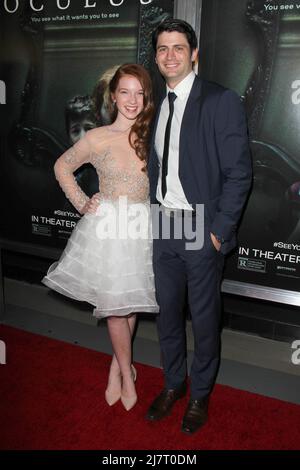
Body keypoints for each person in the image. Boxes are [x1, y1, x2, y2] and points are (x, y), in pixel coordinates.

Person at [146, 19, 252, 434]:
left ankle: (200, 394)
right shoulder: (157, 102)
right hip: (163, 226)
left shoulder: (219, 100)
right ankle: (174, 384)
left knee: (204, 320)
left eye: (177, 48)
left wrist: (218, 230)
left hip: (200, 229)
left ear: (194, 54)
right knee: (168, 315)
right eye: (162, 49)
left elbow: (240, 174)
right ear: (155, 57)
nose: (169, 55)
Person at [43, 64, 159, 411]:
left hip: (141, 224)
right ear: (113, 96)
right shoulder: (97, 137)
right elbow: (61, 166)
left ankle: (116, 366)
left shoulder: (152, 136)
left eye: (139, 93)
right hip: (107, 226)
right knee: (114, 307)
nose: (132, 100)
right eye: (125, 91)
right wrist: (81, 201)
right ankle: (126, 372)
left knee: (131, 298)